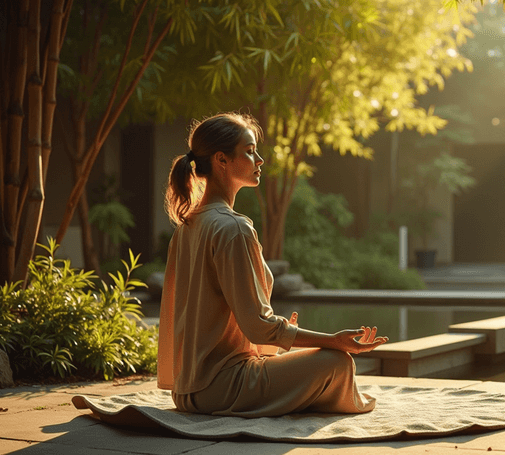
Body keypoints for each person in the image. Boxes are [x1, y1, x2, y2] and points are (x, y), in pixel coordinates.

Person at [157, 112, 388, 417]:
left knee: (313, 358)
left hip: (187, 391)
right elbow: (259, 328)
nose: (260, 160)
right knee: (337, 362)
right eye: (250, 151)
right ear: (221, 160)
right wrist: (333, 341)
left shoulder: (188, 226)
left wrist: (287, 335)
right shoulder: (232, 228)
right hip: (220, 388)